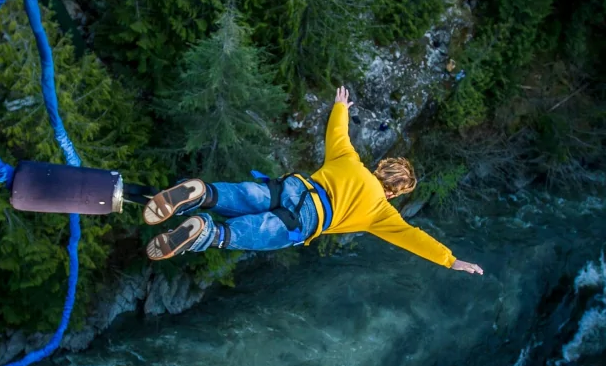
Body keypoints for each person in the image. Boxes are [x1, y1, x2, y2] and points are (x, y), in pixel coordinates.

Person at [142, 86, 484, 275]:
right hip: (307, 220)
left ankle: (203, 192)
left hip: (294, 187)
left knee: (248, 195)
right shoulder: (381, 213)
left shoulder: (349, 160)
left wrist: (341, 107)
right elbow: (413, 238)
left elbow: (338, 132)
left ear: (381, 168)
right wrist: (450, 260)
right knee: (247, 233)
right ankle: (206, 231)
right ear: (394, 192)